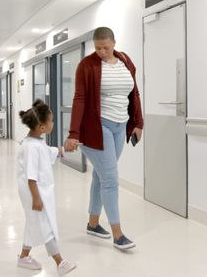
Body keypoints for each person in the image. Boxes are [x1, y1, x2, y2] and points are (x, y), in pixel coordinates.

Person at [64, 26, 144, 251]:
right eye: (97, 48)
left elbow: (134, 93)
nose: (101, 51)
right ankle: (118, 235)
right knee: (111, 179)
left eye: (105, 47)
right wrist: (73, 134)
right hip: (97, 128)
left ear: (114, 43)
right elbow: (79, 98)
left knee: (101, 177)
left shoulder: (125, 61)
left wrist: (139, 123)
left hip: (120, 126)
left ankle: (93, 223)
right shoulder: (86, 65)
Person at [16, 100, 76, 275]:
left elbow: (49, 151)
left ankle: (23, 257)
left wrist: (63, 149)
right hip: (33, 192)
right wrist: (36, 198)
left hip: (38, 190)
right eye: (51, 120)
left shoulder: (36, 142)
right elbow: (31, 176)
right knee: (45, 225)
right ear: (42, 127)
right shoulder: (30, 148)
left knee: (33, 222)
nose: (53, 123)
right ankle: (60, 262)